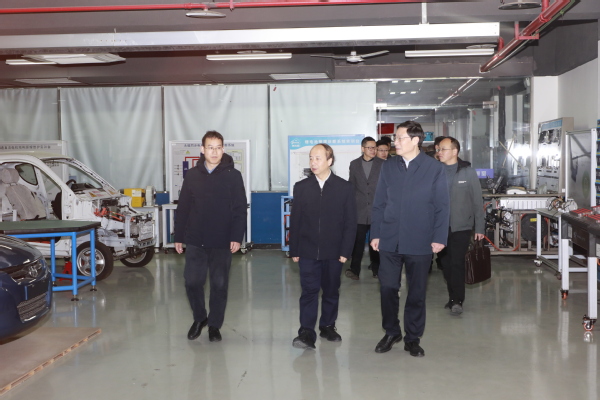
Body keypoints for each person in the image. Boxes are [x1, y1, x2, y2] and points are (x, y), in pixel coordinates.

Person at [370, 121, 449, 357]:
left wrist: (439, 237)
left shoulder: (433, 168)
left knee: (416, 292)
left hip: (420, 239)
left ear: (415, 140)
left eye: (400, 138)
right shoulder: (389, 166)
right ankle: (391, 331)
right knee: (387, 287)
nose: (395, 142)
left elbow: (442, 205)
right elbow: (379, 203)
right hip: (390, 238)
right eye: (395, 138)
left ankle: (413, 338)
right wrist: (376, 233)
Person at [174, 130, 247, 343]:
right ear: (202, 149)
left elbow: (240, 209)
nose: (214, 152)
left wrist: (237, 236)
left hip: (222, 241)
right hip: (196, 239)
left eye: (218, 148)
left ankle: (214, 325)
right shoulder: (192, 175)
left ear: (223, 150)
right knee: (192, 282)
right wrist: (178, 236)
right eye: (210, 148)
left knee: (219, 285)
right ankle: (200, 318)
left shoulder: (233, 176)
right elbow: (184, 207)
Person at [289, 143, 357, 350]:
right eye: (311, 158)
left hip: (334, 251)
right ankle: (306, 332)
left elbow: (350, 222)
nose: (313, 162)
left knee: (331, 290)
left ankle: (327, 326)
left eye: (318, 158)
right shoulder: (301, 187)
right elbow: (296, 220)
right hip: (307, 250)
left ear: (330, 161)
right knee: (309, 291)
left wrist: (345, 251)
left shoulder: (344, 188)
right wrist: (294, 249)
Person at [436, 137, 485, 315]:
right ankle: (452, 296)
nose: (439, 152)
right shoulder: (435, 171)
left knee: (457, 262)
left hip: (461, 227)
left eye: (443, 149)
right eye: (439, 149)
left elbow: (477, 202)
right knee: (446, 264)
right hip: (440, 227)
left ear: (455, 151)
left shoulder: (468, 172)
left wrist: (479, 228)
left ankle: (457, 300)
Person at [347, 137, 384, 280]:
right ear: (363, 149)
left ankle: (377, 269)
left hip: (377, 209)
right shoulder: (354, 164)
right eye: (370, 148)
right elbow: (351, 186)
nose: (373, 150)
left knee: (376, 241)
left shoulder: (382, 164)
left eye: (375, 148)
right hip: (360, 210)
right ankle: (354, 270)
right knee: (358, 241)